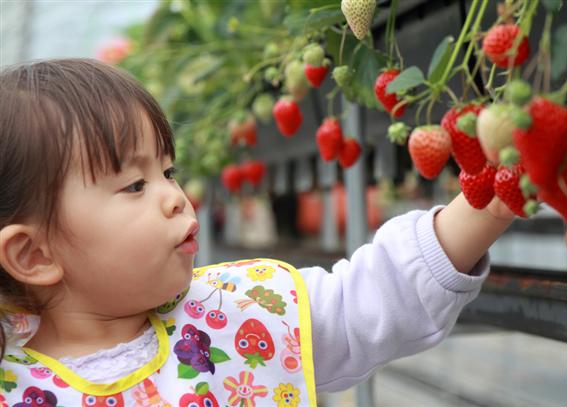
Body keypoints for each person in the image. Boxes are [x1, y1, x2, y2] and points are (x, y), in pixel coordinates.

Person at [0, 59, 513, 406]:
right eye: (135, 184)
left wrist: (487, 205)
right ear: (34, 255)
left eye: (169, 172)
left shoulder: (241, 312)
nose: (174, 196)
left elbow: (373, 298)